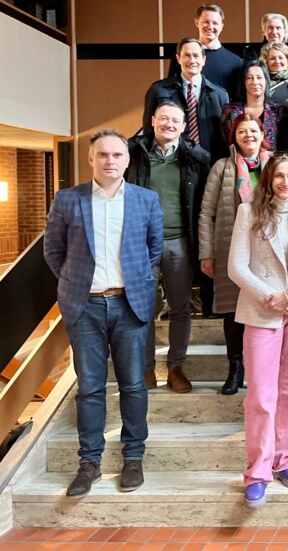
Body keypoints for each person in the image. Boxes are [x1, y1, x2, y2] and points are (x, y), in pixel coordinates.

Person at [44, 129, 163, 497]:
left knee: (132, 384)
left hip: (130, 305)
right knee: (90, 387)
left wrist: (141, 282)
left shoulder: (146, 199)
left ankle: (133, 458)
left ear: (127, 160)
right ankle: (89, 462)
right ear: (91, 159)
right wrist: (76, 283)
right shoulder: (67, 200)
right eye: (103, 155)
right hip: (85, 306)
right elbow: (53, 252)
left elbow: (153, 249)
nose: (110, 161)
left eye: (117, 155)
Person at [228, 155, 288, 509]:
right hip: (260, 309)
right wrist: (268, 296)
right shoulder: (248, 212)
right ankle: (258, 470)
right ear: (269, 179)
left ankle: (286, 459)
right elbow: (237, 266)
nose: (286, 182)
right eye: (280, 176)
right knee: (261, 395)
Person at [125, 101, 211, 394]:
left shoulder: (195, 158)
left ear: (184, 126)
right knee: (143, 309)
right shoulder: (133, 154)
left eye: (175, 120)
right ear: (152, 120)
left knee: (180, 308)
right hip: (142, 244)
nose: (169, 124)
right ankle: (146, 368)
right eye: (164, 119)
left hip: (180, 243)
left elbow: (202, 204)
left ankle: (176, 367)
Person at [199, 114, 273, 395]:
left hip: (268, 251)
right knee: (232, 311)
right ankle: (236, 368)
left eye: (253, 130)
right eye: (242, 131)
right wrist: (206, 253)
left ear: (261, 133)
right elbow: (206, 212)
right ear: (234, 136)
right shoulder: (222, 167)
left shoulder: (275, 164)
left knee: (265, 307)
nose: (248, 135)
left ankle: (261, 370)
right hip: (232, 248)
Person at [144, 37, 229, 160]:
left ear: (204, 60)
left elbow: (225, 138)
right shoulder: (158, 90)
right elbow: (148, 132)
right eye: (186, 55)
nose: (192, 60)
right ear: (178, 59)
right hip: (170, 163)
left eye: (196, 55)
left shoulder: (220, 95)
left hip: (209, 164)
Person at [167, 4, 242, 97]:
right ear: (197, 23)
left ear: (221, 27)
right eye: (206, 22)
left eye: (215, 23)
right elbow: (171, 90)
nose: (210, 27)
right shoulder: (183, 56)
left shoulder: (236, 62)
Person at [220, 59, 282, 150]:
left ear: (266, 81)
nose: (255, 82)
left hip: (271, 162)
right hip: (237, 162)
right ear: (243, 82)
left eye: (259, 77)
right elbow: (225, 143)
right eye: (249, 78)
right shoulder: (230, 110)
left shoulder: (278, 111)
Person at [261, 41, 288, 107]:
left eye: (281, 58)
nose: (277, 61)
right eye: (272, 58)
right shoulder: (260, 82)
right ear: (266, 61)